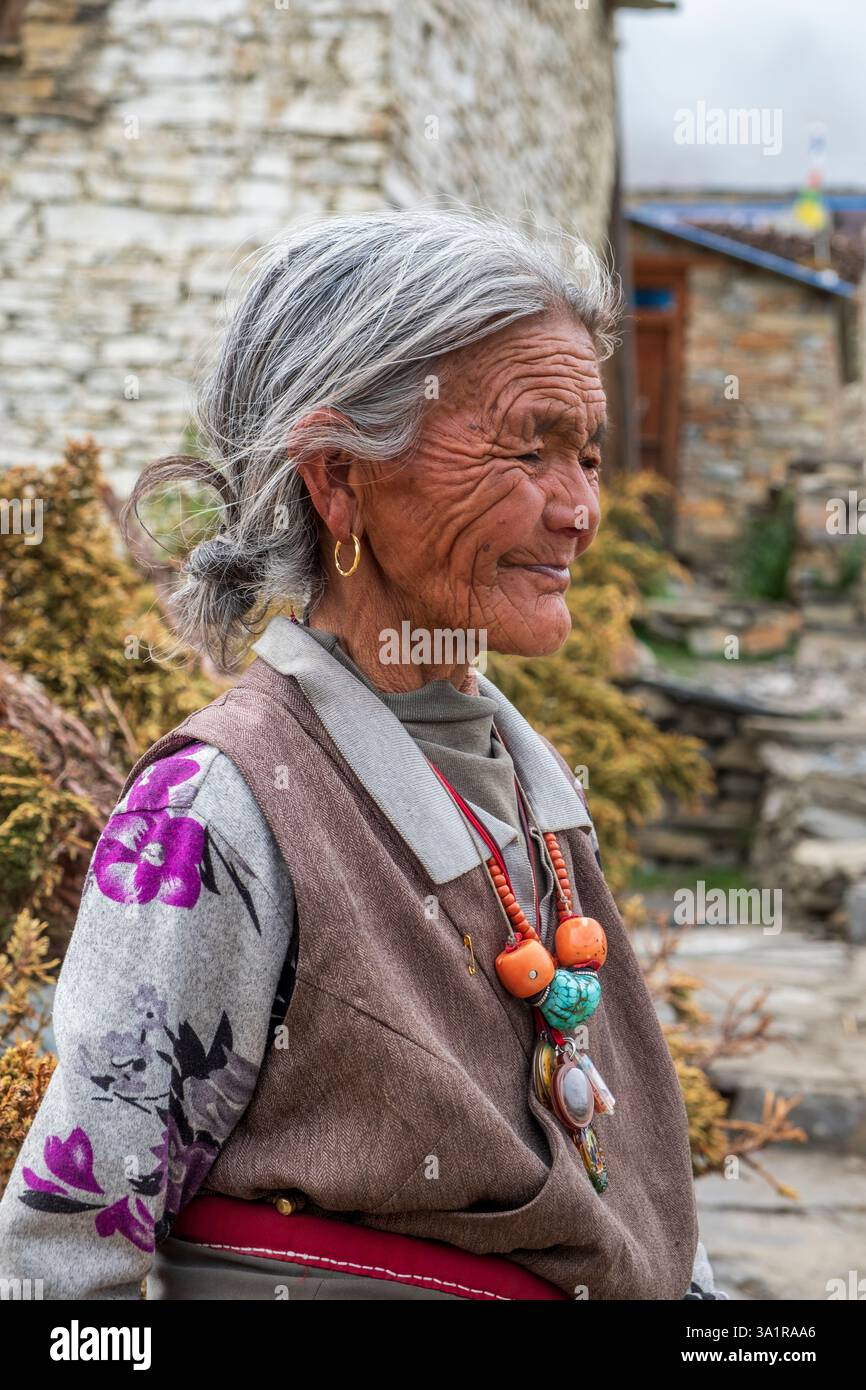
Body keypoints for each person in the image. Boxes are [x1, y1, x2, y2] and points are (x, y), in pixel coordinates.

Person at [0, 209, 726, 1300]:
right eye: (525, 448)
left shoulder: (531, 790)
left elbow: (629, 1208)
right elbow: (60, 1273)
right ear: (339, 477)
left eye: (583, 452)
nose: (579, 509)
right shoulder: (216, 811)